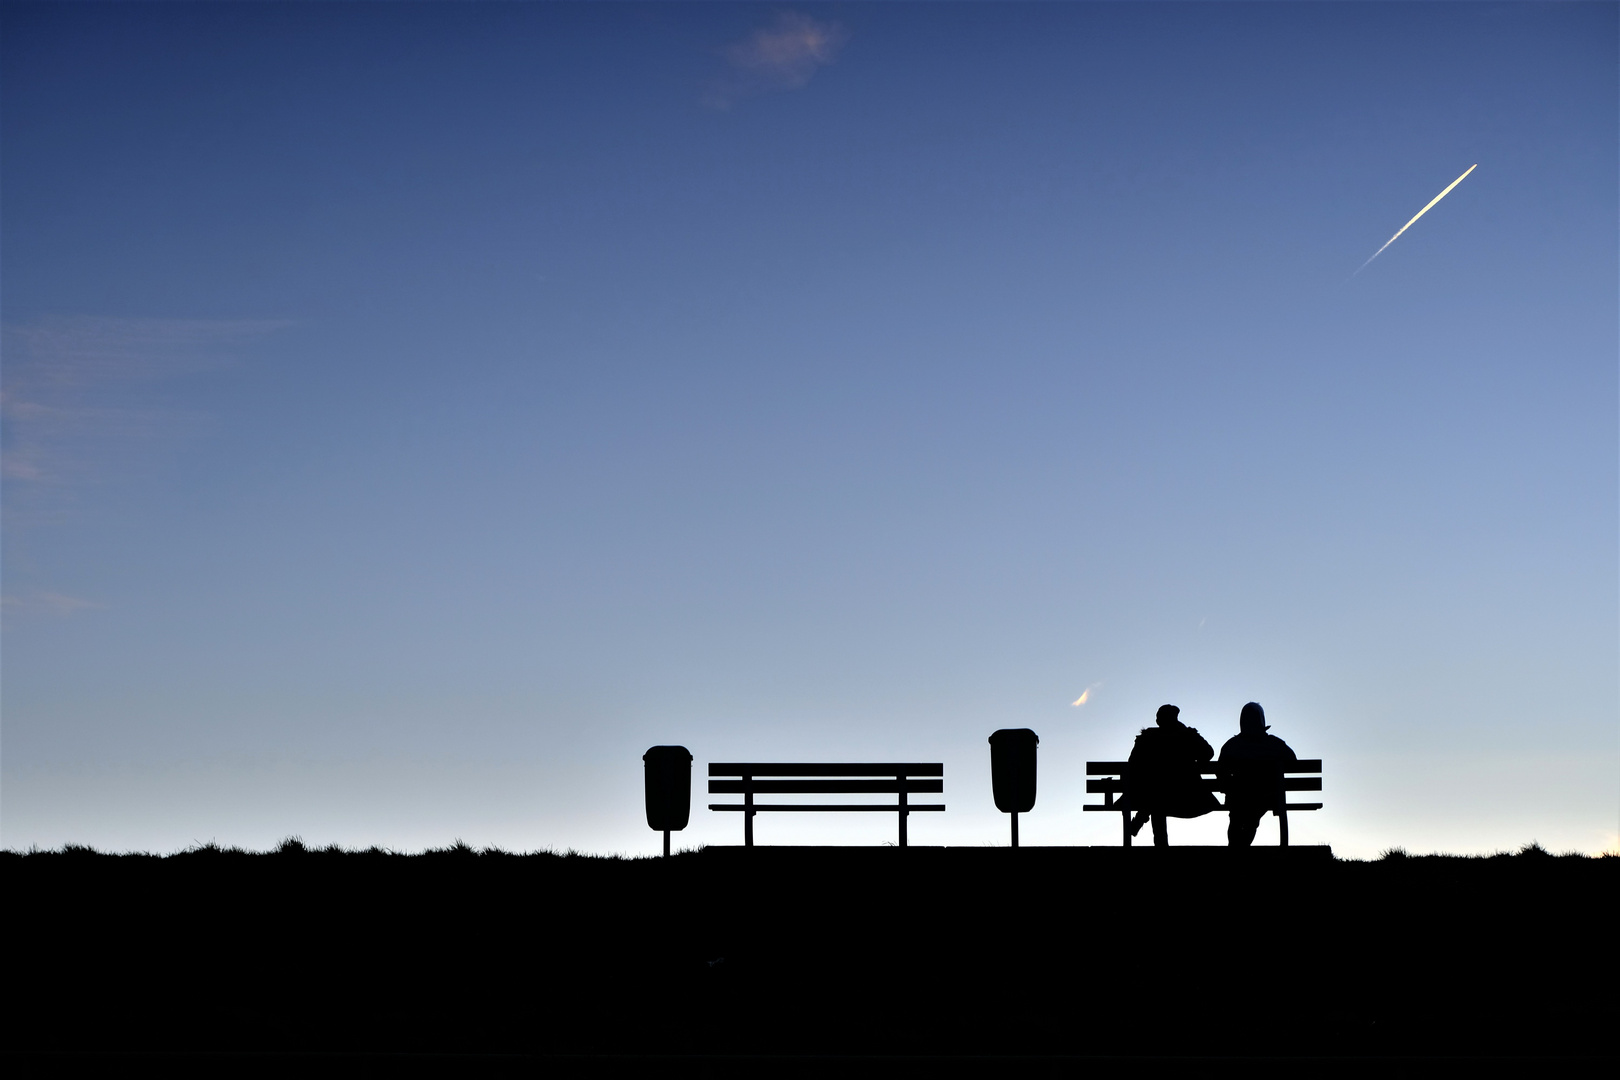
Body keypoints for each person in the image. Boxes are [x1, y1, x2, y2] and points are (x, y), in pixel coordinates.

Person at [1125, 704, 1219, 846]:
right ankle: (1145, 820)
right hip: (1183, 795)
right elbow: (1208, 753)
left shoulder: (1148, 737)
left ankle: (1143, 819)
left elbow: (1133, 764)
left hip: (1152, 795)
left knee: (1158, 791)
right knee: (1160, 790)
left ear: (1158, 720)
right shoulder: (1186, 736)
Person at [1217, 702, 1297, 847]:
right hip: (1265, 796)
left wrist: (1227, 788)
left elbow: (1220, 771)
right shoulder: (1275, 744)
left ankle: (1235, 849)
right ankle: (1240, 848)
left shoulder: (1232, 745)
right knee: (1251, 816)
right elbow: (1293, 761)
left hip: (1239, 797)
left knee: (1238, 816)